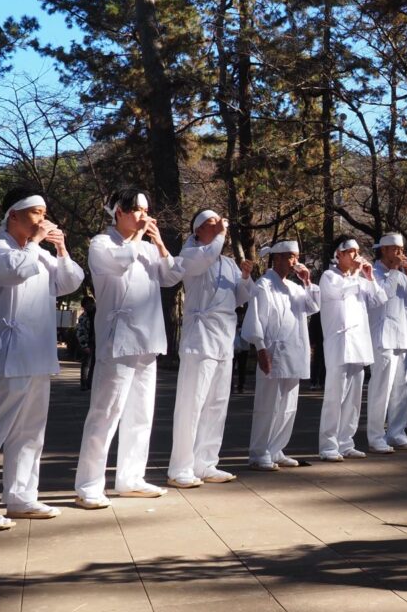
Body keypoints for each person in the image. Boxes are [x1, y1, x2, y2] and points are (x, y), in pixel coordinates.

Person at [0, 187, 84, 530]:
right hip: (7, 352)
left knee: (31, 430)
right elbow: (12, 272)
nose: (42, 219)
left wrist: (59, 248)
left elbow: (70, 281)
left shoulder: (40, 253)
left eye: (44, 213)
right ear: (13, 215)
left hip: (38, 352)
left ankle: (21, 496)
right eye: (35, 213)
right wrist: (36, 244)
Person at [74, 187, 177, 508]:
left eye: (146, 210)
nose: (142, 216)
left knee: (141, 413)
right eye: (136, 210)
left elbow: (171, 276)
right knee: (106, 412)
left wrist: (158, 243)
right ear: (118, 211)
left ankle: (131, 477)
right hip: (117, 339)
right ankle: (89, 484)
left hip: (148, 339)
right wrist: (140, 238)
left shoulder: (146, 247)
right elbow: (119, 264)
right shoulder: (101, 243)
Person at [165, 209, 254, 488]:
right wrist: (223, 233)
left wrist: (246, 279)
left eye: (220, 223)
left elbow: (238, 298)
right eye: (212, 224)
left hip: (224, 339)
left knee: (216, 404)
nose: (218, 228)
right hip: (199, 339)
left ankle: (206, 463)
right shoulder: (190, 254)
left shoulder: (227, 263)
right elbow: (205, 258)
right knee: (192, 404)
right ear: (198, 230)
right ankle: (181, 467)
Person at [243, 240, 320, 470]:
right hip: (273, 351)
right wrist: (260, 348)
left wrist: (307, 281)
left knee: (288, 405)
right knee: (268, 404)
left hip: (294, 351)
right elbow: (256, 318)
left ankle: (276, 448)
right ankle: (259, 452)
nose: (294, 261)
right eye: (289, 256)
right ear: (276, 258)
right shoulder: (264, 285)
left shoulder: (296, 288)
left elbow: (314, 306)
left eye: (296, 256)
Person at [318, 237, 386, 460]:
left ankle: (346, 442)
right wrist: (357, 275)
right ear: (339, 254)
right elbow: (340, 292)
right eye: (351, 252)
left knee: (354, 398)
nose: (356, 256)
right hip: (339, 343)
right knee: (335, 396)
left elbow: (380, 298)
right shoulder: (329, 277)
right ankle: (328, 445)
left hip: (359, 343)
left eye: (358, 252)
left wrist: (370, 276)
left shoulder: (359, 278)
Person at [366, 233, 407, 453]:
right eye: (395, 250)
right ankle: (375, 436)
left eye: (401, 250)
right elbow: (383, 296)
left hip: (402, 337)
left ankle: (397, 433)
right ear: (384, 250)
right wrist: (394, 272)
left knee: (402, 389)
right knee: (381, 388)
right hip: (382, 337)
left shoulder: (400, 274)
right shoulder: (373, 272)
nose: (400, 254)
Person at [76, 296, 96, 391]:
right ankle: (84, 384)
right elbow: (80, 331)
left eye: (91, 303)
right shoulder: (83, 317)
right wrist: (84, 345)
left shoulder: (99, 314)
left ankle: (90, 383)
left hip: (98, 341)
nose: (89, 306)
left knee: (94, 364)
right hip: (88, 342)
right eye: (86, 305)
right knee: (86, 363)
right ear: (83, 306)